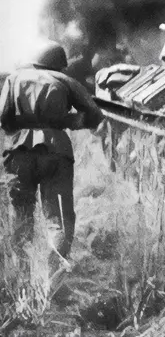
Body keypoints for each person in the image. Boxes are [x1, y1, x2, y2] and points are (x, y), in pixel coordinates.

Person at [0, 40, 104, 263]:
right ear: (59, 63)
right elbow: (94, 115)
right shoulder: (65, 81)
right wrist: (69, 120)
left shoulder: (13, 79)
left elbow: (3, 118)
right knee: (57, 220)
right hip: (55, 151)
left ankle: (24, 276)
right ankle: (54, 274)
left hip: (18, 152)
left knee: (21, 218)